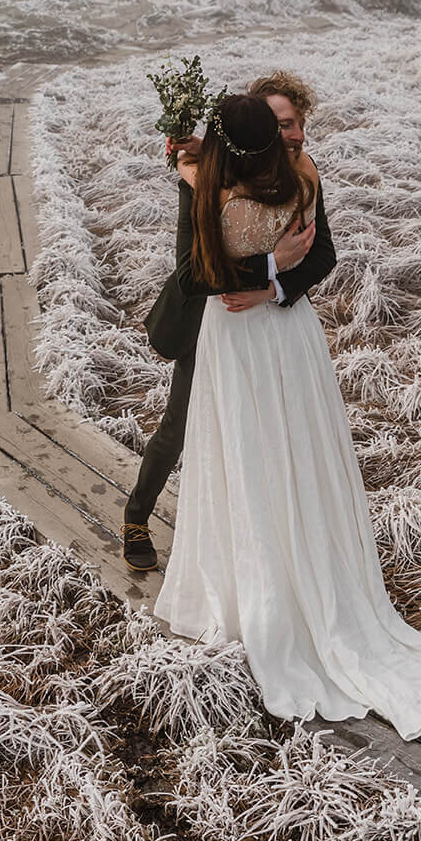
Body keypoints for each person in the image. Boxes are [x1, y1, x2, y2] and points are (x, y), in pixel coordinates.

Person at [153, 92, 421, 740]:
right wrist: (273, 267)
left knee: (259, 452)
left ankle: (264, 593)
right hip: (282, 336)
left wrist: (270, 280)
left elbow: (203, 274)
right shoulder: (292, 178)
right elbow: (280, 256)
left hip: (246, 333)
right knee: (275, 450)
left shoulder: (214, 189)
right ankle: (288, 576)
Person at [122, 72, 337, 571]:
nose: (290, 135)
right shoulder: (203, 182)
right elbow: (190, 272)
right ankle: (137, 513)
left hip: (274, 326)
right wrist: (267, 264)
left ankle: (264, 542)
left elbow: (321, 252)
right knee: (180, 426)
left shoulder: (303, 175)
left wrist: (273, 287)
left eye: (294, 124)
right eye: (278, 124)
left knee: (268, 436)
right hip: (208, 324)